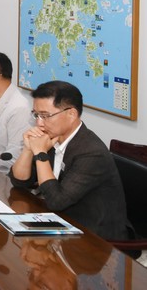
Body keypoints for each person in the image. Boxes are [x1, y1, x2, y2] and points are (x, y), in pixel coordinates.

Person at [9, 81, 129, 240]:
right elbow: (19, 181)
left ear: (71, 114)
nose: (39, 123)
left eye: (45, 116)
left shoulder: (91, 153)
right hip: (62, 223)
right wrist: (28, 149)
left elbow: (56, 201)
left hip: (95, 238)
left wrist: (40, 153)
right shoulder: (51, 138)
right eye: (36, 115)